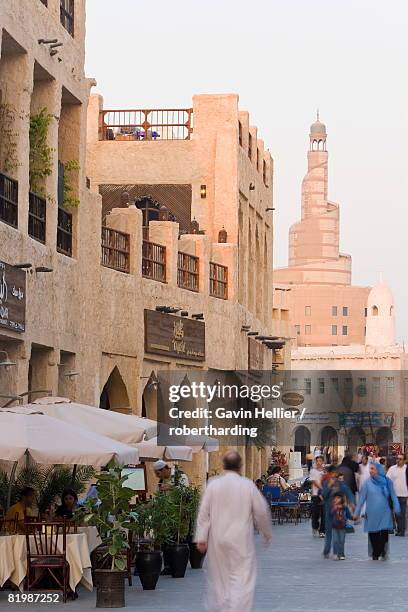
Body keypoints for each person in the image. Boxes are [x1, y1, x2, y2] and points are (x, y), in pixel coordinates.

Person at [195, 450, 272, 612]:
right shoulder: (247, 485)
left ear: (223, 465)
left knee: (220, 578)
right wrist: (266, 532)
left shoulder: (214, 485)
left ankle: (223, 607)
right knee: (241, 578)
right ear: (240, 466)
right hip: (240, 540)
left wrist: (201, 537)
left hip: (218, 539)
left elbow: (204, 513)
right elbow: (261, 511)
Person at [354, 463, 400, 560]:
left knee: (384, 534)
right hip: (371, 513)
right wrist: (356, 513)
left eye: (373, 469)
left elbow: (393, 496)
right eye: (370, 469)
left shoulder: (388, 482)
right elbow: (361, 499)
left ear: (378, 470)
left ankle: (381, 551)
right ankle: (375, 553)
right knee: (373, 534)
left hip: (385, 512)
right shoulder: (367, 483)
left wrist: (397, 507)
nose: (370, 471)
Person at [321, 466, 354, 559]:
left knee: (337, 534)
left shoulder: (340, 484)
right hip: (329, 512)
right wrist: (328, 486)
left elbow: (348, 492)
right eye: (332, 473)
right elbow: (323, 494)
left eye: (335, 474)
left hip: (339, 514)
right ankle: (326, 550)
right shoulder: (326, 483)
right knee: (328, 533)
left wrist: (352, 503)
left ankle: (337, 552)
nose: (334, 476)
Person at [386, 454, 408, 536]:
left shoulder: (406, 469)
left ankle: (402, 531)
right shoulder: (392, 469)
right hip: (394, 495)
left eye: (400, 459)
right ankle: (399, 529)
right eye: (397, 459)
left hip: (404, 494)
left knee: (402, 513)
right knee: (396, 513)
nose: (398, 460)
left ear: (404, 460)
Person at [331, 493, 353, 560]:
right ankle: (336, 553)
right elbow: (329, 515)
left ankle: (341, 554)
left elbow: (349, 515)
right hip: (334, 526)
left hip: (342, 526)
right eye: (335, 498)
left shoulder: (345, 507)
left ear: (341, 499)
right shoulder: (332, 507)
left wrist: (354, 518)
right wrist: (334, 509)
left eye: (338, 498)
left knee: (342, 540)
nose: (337, 499)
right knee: (335, 540)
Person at [309, 455, 325, 537]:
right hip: (315, 494)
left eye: (320, 461)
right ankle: (315, 526)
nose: (318, 463)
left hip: (324, 495)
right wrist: (322, 488)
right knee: (315, 513)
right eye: (317, 461)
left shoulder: (325, 471)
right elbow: (314, 482)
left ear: (323, 462)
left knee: (324, 513)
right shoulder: (313, 471)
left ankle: (322, 531)